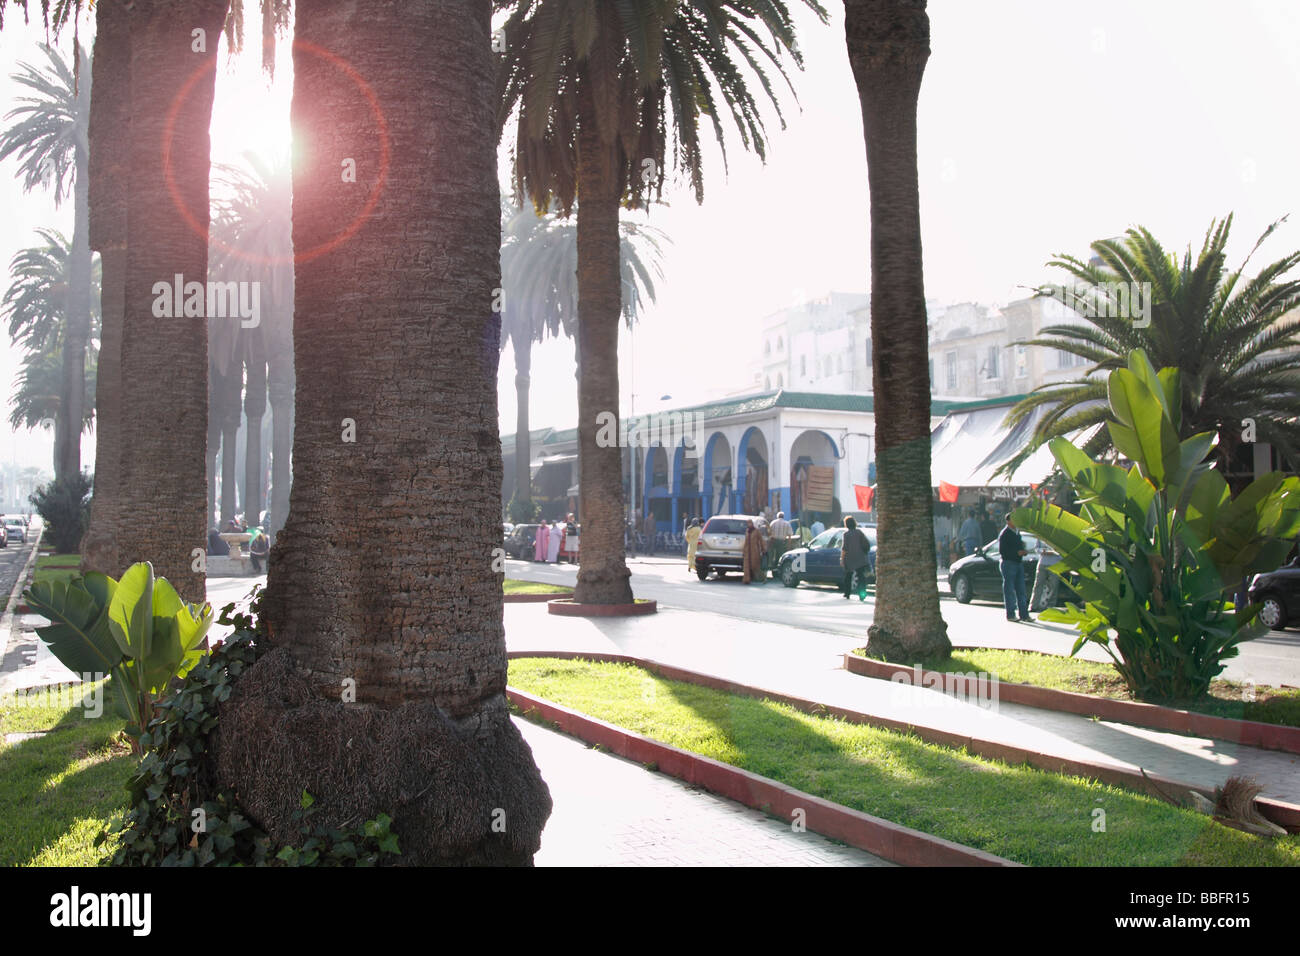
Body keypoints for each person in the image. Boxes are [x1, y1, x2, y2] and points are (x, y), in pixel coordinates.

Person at [998, 513, 1031, 622]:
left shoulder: (1017, 533)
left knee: (1021, 590)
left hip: (1018, 563)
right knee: (1009, 590)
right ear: (1008, 521)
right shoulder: (1005, 534)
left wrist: (1023, 551)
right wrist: (1017, 552)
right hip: (1008, 563)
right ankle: (1011, 614)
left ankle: (1024, 615)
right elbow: (1003, 551)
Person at [840, 515, 871, 601]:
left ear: (846, 524)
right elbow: (865, 544)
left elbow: (844, 548)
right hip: (860, 557)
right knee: (861, 577)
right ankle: (862, 594)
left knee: (848, 576)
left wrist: (842, 559)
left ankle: (847, 593)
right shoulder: (859, 532)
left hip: (849, 558)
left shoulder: (846, 534)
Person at [1029, 546, 1062, 612]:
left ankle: (1050, 606)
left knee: (1053, 585)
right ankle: (1033, 606)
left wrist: (1054, 552)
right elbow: (1037, 548)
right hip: (1042, 563)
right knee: (1038, 584)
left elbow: (1061, 552)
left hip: (1055, 564)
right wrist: (1043, 551)